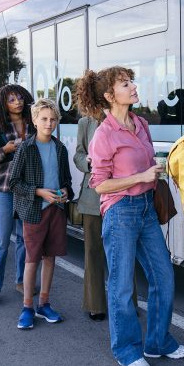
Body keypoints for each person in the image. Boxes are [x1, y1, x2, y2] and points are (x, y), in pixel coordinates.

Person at [82, 66, 184, 366]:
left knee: (164, 276)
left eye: (131, 82)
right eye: (125, 84)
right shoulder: (103, 135)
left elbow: (144, 164)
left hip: (145, 207)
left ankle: (157, 342)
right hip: (120, 212)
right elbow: (99, 184)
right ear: (109, 95)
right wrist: (139, 175)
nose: (133, 87)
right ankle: (127, 351)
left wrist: (156, 170)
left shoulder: (141, 123)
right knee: (121, 286)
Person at [8, 98, 72, 329]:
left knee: (50, 258)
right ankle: (27, 307)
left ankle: (44, 304)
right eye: (44, 119)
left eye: (53, 119)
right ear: (34, 120)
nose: (49, 123)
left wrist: (65, 191)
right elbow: (13, 183)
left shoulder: (60, 148)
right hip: (34, 212)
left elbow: (67, 180)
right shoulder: (25, 148)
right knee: (32, 259)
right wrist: (38, 192)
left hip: (56, 211)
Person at [0, 85, 34, 308]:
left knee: (25, 239)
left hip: (28, 188)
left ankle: (22, 280)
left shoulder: (34, 124)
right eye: (11, 99)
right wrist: (6, 150)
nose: (17, 102)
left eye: (20, 98)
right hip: (2, 189)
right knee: (0, 239)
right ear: (3, 103)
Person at [72, 113, 109, 321]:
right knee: (93, 252)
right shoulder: (85, 122)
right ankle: (95, 305)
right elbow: (78, 155)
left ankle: (127, 303)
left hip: (121, 194)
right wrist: (86, 161)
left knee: (124, 254)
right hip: (92, 196)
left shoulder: (128, 119)